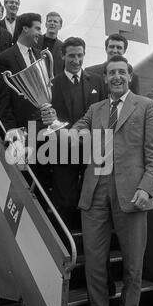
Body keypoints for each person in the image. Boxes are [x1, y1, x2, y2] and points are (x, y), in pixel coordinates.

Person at [68, 55, 153, 306]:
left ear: (129, 75)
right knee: (95, 261)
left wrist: (147, 187)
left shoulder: (146, 106)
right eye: (112, 73)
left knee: (133, 262)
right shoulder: (96, 108)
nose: (117, 77)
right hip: (94, 190)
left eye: (122, 72)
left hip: (131, 193)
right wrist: (76, 133)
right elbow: (76, 129)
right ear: (106, 78)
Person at [47, 37, 105, 228]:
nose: (76, 60)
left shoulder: (97, 81)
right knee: (65, 200)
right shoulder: (52, 85)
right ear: (62, 56)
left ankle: (90, 238)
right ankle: (64, 242)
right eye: (71, 55)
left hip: (91, 150)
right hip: (63, 150)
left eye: (80, 55)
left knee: (94, 198)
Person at [0, 12, 44, 131]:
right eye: (37, 29)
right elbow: (3, 101)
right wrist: (12, 131)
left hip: (44, 125)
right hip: (23, 127)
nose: (40, 33)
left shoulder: (40, 55)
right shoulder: (4, 59)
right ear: (25, 28)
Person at [33, 12, 64, 76]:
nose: (52, 23)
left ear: (60, 26)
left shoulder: (63, 47)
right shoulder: (34, 41)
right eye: (50, 21)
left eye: (55, 22)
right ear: (46, 24)